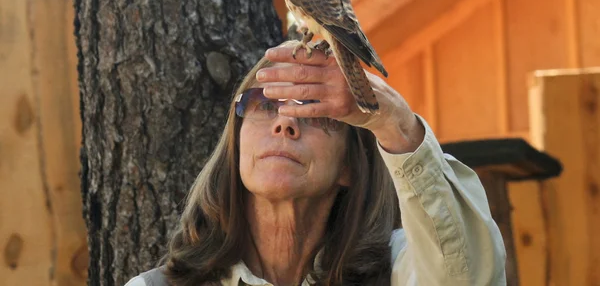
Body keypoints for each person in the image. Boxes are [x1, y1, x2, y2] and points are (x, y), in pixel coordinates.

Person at [125, 41, 507, 286]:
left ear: (350, 168)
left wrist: (392, 120)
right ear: (237, 141)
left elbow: (468, 276)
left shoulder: (399, 269)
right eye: (265, 104)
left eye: (314, 113)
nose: (285, 122)